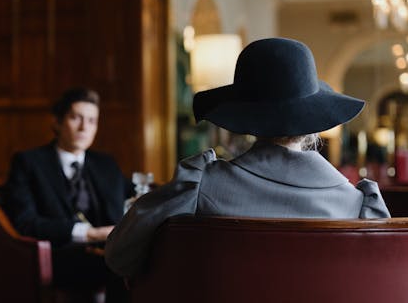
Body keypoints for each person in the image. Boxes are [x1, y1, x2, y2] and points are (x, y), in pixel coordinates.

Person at [105, 37, 391, 279]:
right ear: (314, 124)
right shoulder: (358, 205)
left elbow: (119, 255)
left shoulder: (199, 186)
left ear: (245, 118)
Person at [4, 87, 138, 303]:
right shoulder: (29, 163)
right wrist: (90, 233)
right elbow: (25, 222)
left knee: (139, 269)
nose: (84, 127)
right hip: (58, 260)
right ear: (57, 122)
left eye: (92, 121)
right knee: (122, 269)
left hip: (105, 258)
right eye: (76, 118)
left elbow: (133, 204)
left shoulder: (106, 166)